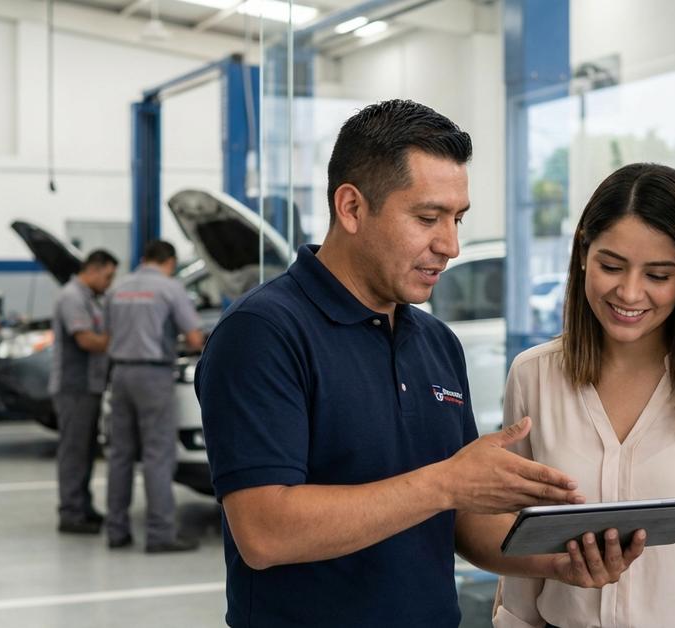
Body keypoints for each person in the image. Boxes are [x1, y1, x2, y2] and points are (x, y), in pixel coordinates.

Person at [196, 100, 642, 628]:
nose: (450, 245)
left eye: (457, 219)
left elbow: (461, 523)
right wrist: (446, 483)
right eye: (428, 218)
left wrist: (559, 559)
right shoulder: (263, 332)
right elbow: (264, 533)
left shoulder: (436, 343)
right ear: (351, 208)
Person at [475, 163, 675, 628]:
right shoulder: (533, 376)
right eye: (611, 266)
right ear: (583, 254)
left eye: (658, 275)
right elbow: (522, 541)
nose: (629, 293)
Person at [105, 240, 203, 553]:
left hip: (120, 374)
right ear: (169, 261)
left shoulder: (118, 288)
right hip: (153, 375)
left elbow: (106, 333)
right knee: (157, 455)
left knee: (120, 455)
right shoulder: (170, 288)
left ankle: (116, 530)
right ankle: (160, 533)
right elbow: (195, 338)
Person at [50, 249, 118, 535]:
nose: (109, 283)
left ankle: (83, 506)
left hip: (88, 387)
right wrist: (120, 341)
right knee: (74, 451)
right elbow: (86, 340)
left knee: (86, 451)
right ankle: (70, 512)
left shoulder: (89, 298)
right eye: (108, 276)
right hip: (73, 387)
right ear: (93, 269)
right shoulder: (72, 297)